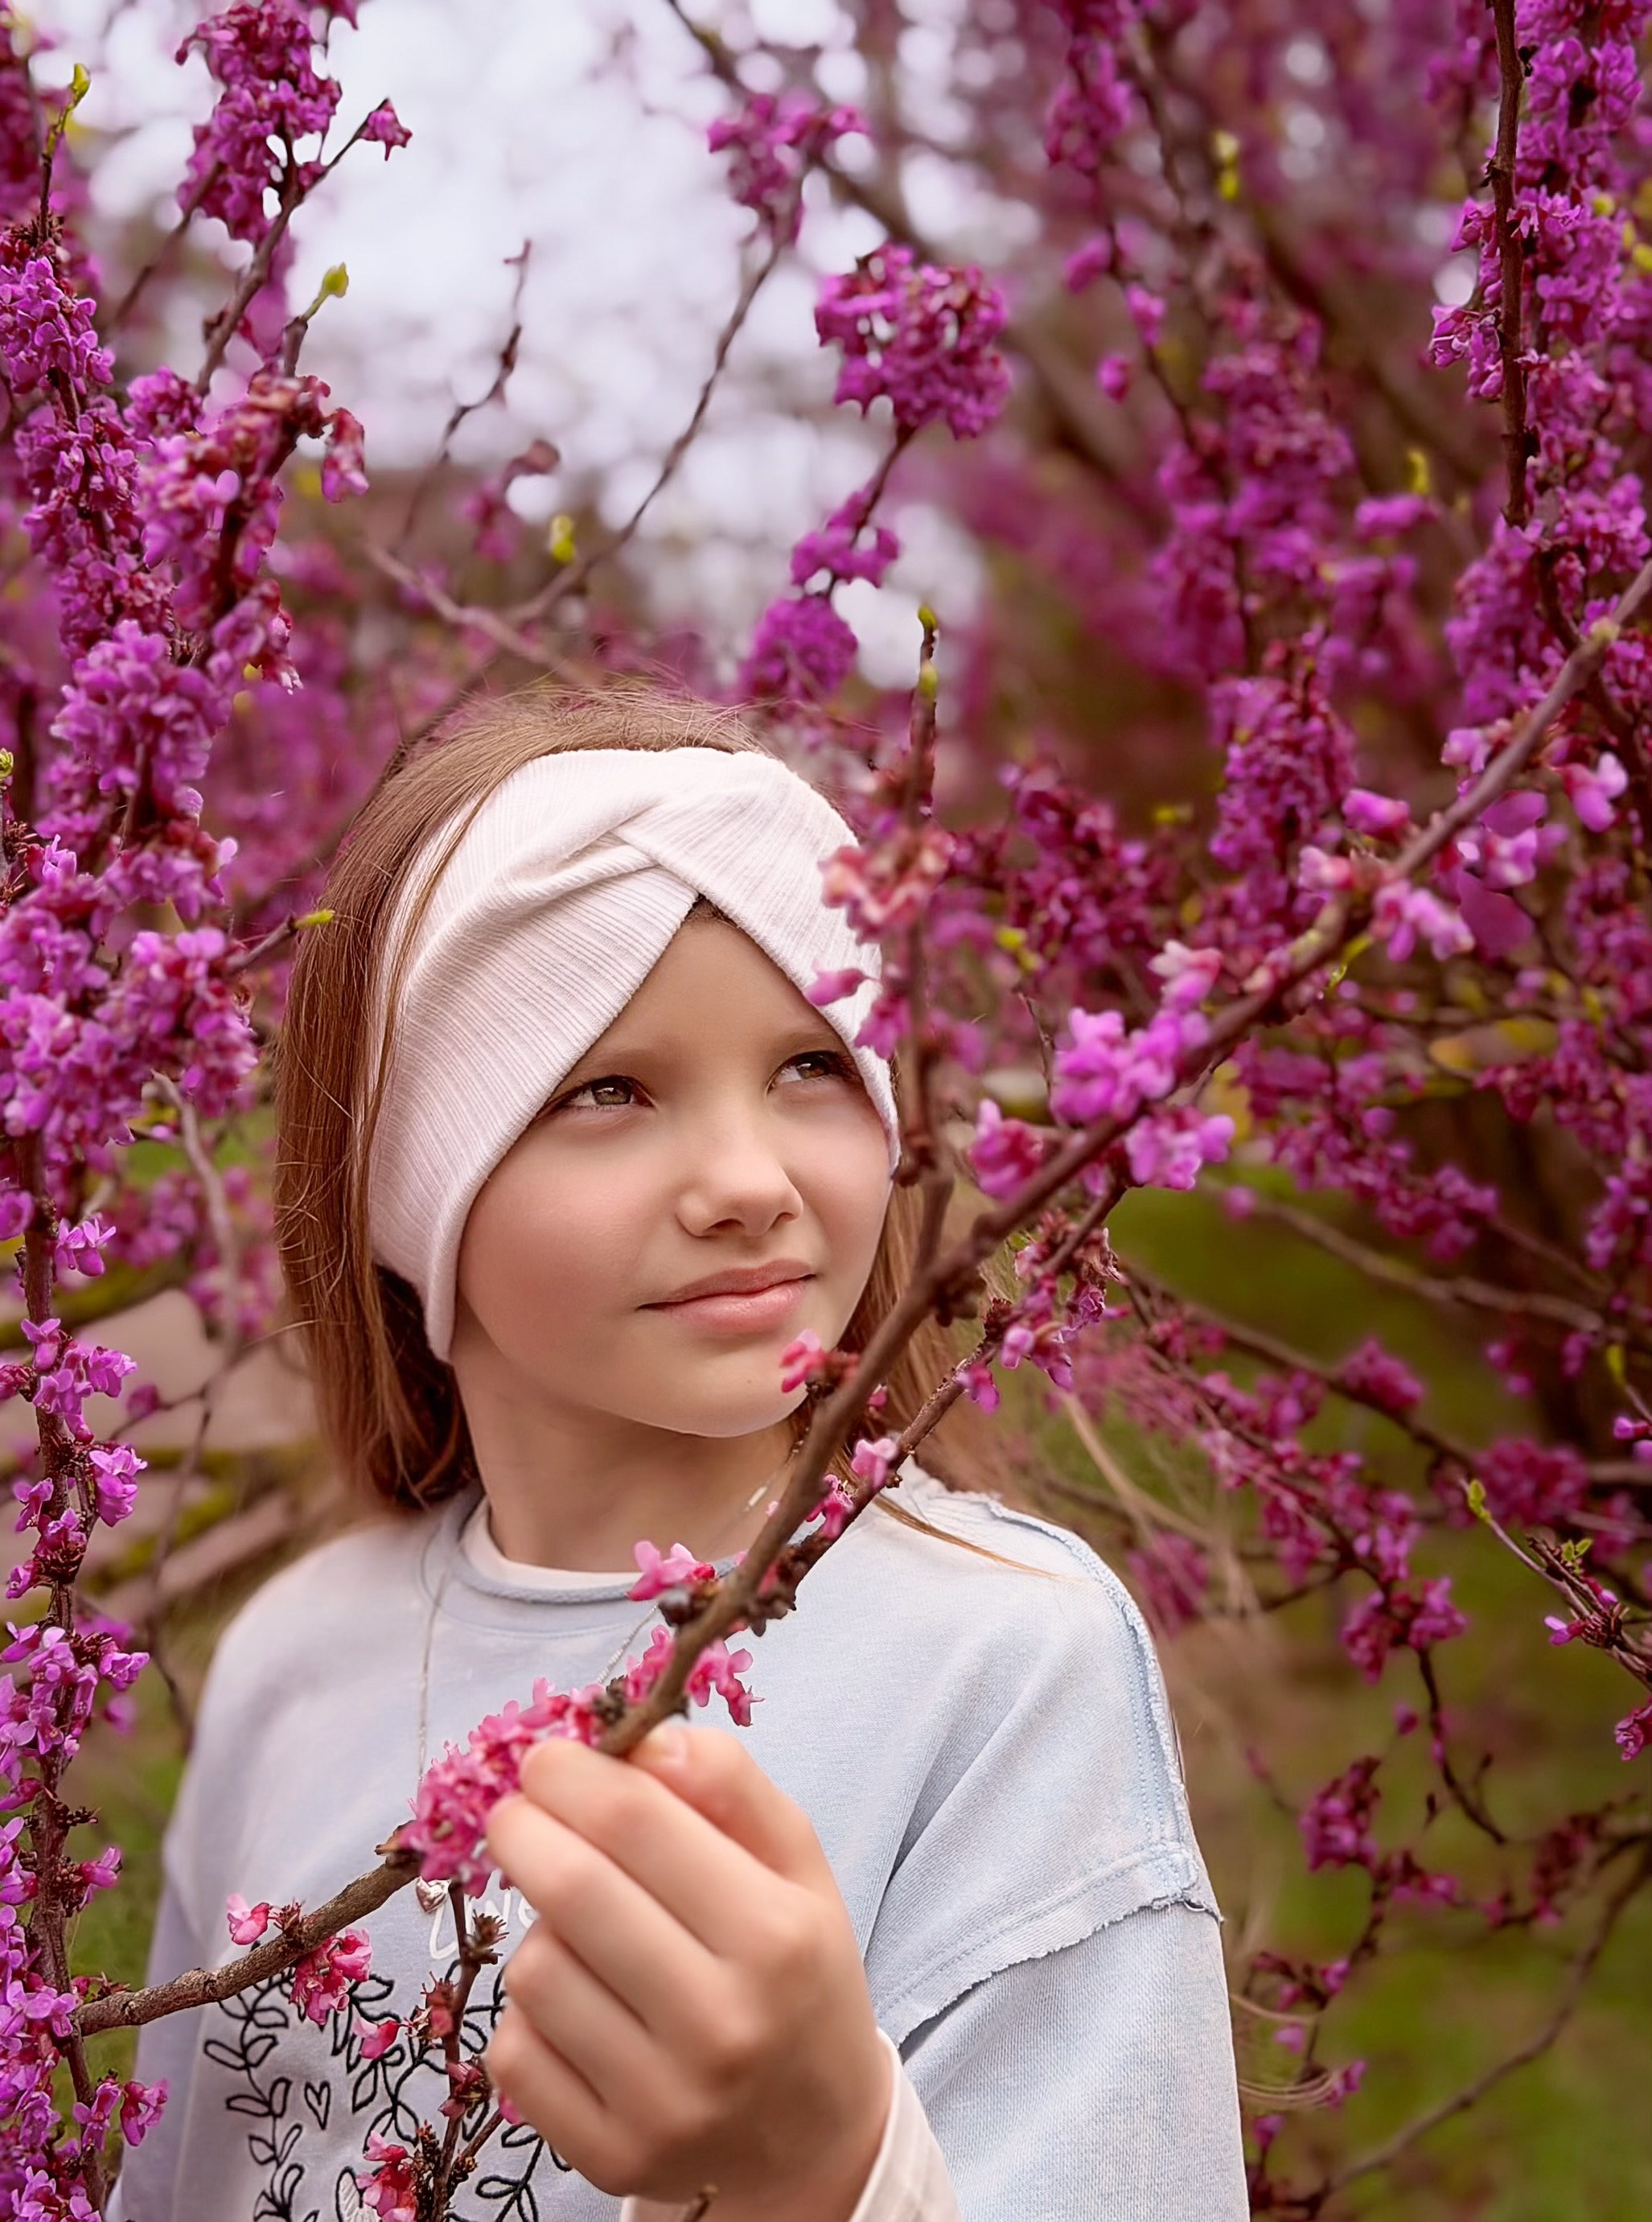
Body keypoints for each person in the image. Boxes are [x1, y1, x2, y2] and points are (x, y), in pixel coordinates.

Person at [116, 685, 1248, 2222]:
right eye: (607, 1089)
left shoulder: (997, 1663)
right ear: (416, 1190)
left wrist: (818, 2166)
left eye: (810, 1067)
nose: (743, 1180)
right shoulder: (291, 1661)